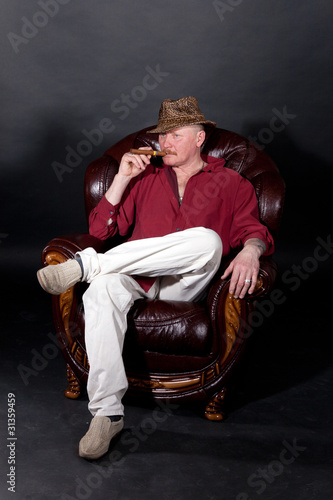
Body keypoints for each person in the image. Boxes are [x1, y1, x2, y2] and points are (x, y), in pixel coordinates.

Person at [37, 96, 274, 460]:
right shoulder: (145, 177)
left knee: (207, 240)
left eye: (176, 135)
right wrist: (121, 179)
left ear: (199, 139)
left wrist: (251, 250)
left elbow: (252, 229)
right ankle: (106, 413)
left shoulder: (230, 182)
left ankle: (86, 266)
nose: (165, 143)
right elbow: (100, 230)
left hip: (190, 284)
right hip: (137, 275)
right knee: (100, 289)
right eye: (162, 136)